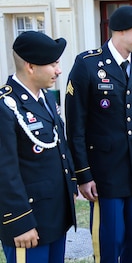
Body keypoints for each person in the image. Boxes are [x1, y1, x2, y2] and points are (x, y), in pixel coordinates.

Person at [65, 6, 132, 262]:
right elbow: (75, 126)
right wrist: (83, 174)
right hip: (105, 171)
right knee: (110, 238)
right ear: (120, 30)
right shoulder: (87, 64)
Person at [0, 31, 76, 262]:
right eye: (53, 64)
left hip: (53, 215)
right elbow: (4, 172)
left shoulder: (45, 98)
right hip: (28, 223)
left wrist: (70, 186)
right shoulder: (6, 107)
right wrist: (19, 221)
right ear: (30, 66)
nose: (59, 70)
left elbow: (60, 147)